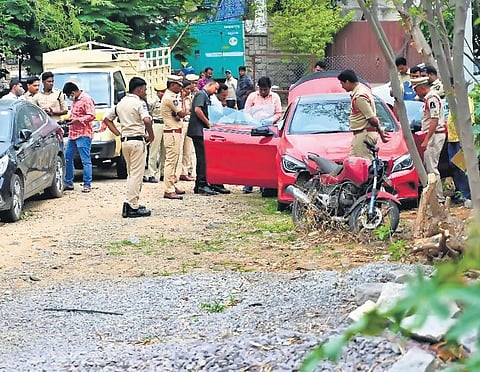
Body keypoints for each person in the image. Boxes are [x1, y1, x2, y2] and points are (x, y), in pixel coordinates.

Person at [104, 77, 154, 217]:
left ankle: (130, 202)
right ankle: (132, 205)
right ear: (139, 89)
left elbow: (107, 119)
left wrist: (118, 133)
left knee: (131, 173)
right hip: (137, 141)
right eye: (144, 89)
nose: (145, 92)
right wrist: (151, 134)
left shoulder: (121, 103)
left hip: (125, 141)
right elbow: (146, 119)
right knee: (136, 175)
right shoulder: (139, 103)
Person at [242, 76, 283, 193]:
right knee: (250, 157)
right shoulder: (252, 97)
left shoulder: (275, 97)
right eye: (261, 90)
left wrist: (270, 120)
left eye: (265, 90)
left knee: (265, 157)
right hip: (254, 129)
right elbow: (246, 112)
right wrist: (253, 121)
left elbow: (278, 113)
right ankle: (248, 183)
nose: (263, 92)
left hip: (269, 130)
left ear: (269, 88)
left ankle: (264, 183)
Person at [337, 69, 389, 160]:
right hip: (360, 135)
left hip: (364, 134)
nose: (342, 87)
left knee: (364, 164)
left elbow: (372, 118)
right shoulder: (362, 91)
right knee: (353, 164)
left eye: (342, 83)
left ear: (348, 82)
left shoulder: (359, 96)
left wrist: (380, 131)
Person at [411, 76, 446, 203]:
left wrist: (427, 139)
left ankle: (439, 199)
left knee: (432, 169)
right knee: (430, 167)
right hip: (433, 135)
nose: (415, 93)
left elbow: (434, 120)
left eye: (416, 90)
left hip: (435, 135)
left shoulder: (432, 99)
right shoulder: (430, 98)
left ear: (421, 88)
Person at [187, 79, 220, 196]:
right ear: (209, 85)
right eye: (215, 88)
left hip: (201, 131)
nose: (215, 92)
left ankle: (200, 184)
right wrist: (208, 122)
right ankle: (202, 184)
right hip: (198, 131)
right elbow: (197, 109)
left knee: (204, 157)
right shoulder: (201, 94)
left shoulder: (205, 95)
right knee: (202, 158)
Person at [62, 82, 96, 193]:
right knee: (67, 158)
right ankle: (68, 182)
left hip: (84, 133)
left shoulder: (86, 99)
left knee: (85, 160)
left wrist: (78, 120)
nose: (69, 98)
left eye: (69, 96)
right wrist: (69, 119)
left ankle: (87, 184)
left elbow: (91, 115)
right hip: (73, 134)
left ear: (73, 92)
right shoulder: (75, 101)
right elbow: (75, 114)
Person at [161, 75, 189, 200]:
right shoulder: (170, 98)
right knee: (171, 161)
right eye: (179, 86)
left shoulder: (170, 97)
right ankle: (169, 188)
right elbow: (182, 113)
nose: (181, 88)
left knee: (175, 160)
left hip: (174, 130)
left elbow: (177, 115)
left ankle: (172, 183)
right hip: (171, 132)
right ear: (173, 85)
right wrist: (183, 99)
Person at [447, 78, 473, 206]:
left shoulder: (465, 100)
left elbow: (469, 118)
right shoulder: (452, 101)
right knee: (453, 165)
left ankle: (467, 194)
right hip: (452, 138)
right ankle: (461, 192)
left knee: (461, 166)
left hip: (460, 138)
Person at [143, 83, 167, 184]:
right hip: (156, 124)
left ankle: (163, 173)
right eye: (159, 92)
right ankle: (151, 173)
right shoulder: (152, 102)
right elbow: (149, 114)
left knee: (165, 151)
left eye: (163, 92)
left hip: (165, 124)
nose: (161, 94)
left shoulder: (167, 100)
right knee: (154, 150)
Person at [175, 79, 196, 182]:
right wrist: (183, 99)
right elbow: (181, 112)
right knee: (179, 149)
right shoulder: (177, 99)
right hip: (181, 123)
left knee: (188, 149)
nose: (188, 91)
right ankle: (177, 173)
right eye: (186, 89)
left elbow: (192, 110)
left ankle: (185, 171)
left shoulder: (190, 98)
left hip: (189, 123)